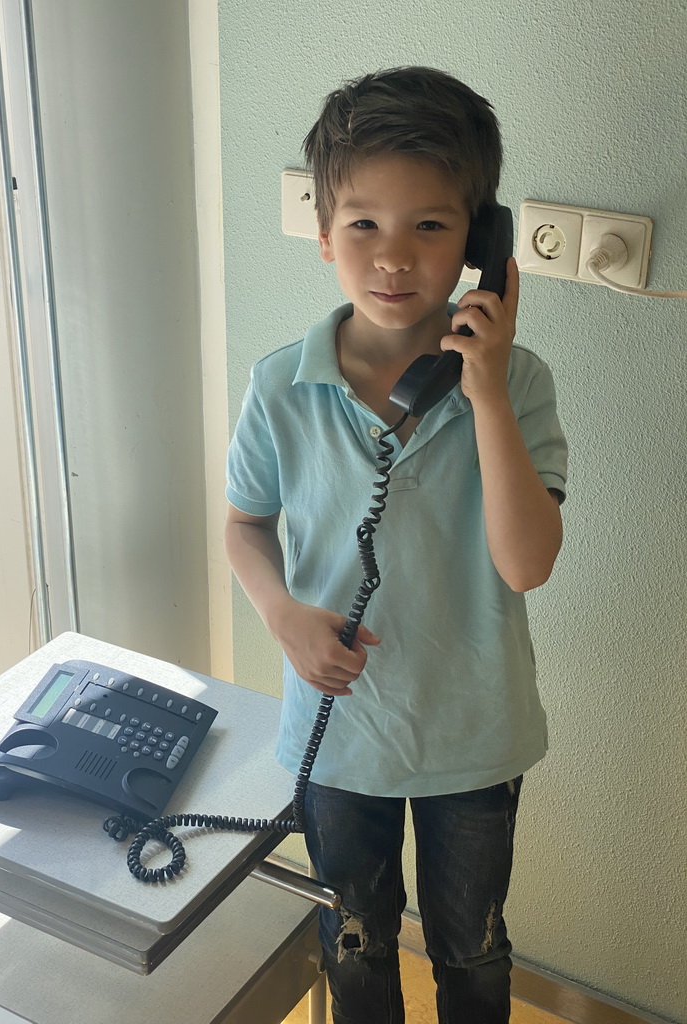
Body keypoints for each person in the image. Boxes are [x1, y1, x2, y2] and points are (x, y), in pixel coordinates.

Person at [224, 67, 567, 1024]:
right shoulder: (280, 387)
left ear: (480, 243)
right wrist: (282, 614)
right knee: (357, 939)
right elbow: (244, 525)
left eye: (430, 226)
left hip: (474, 736)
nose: (393, 256)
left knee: (473, 946)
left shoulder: (520, 385)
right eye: (364, 223)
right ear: (325, 229)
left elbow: (527, 563)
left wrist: (486, 391)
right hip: (339, 740)